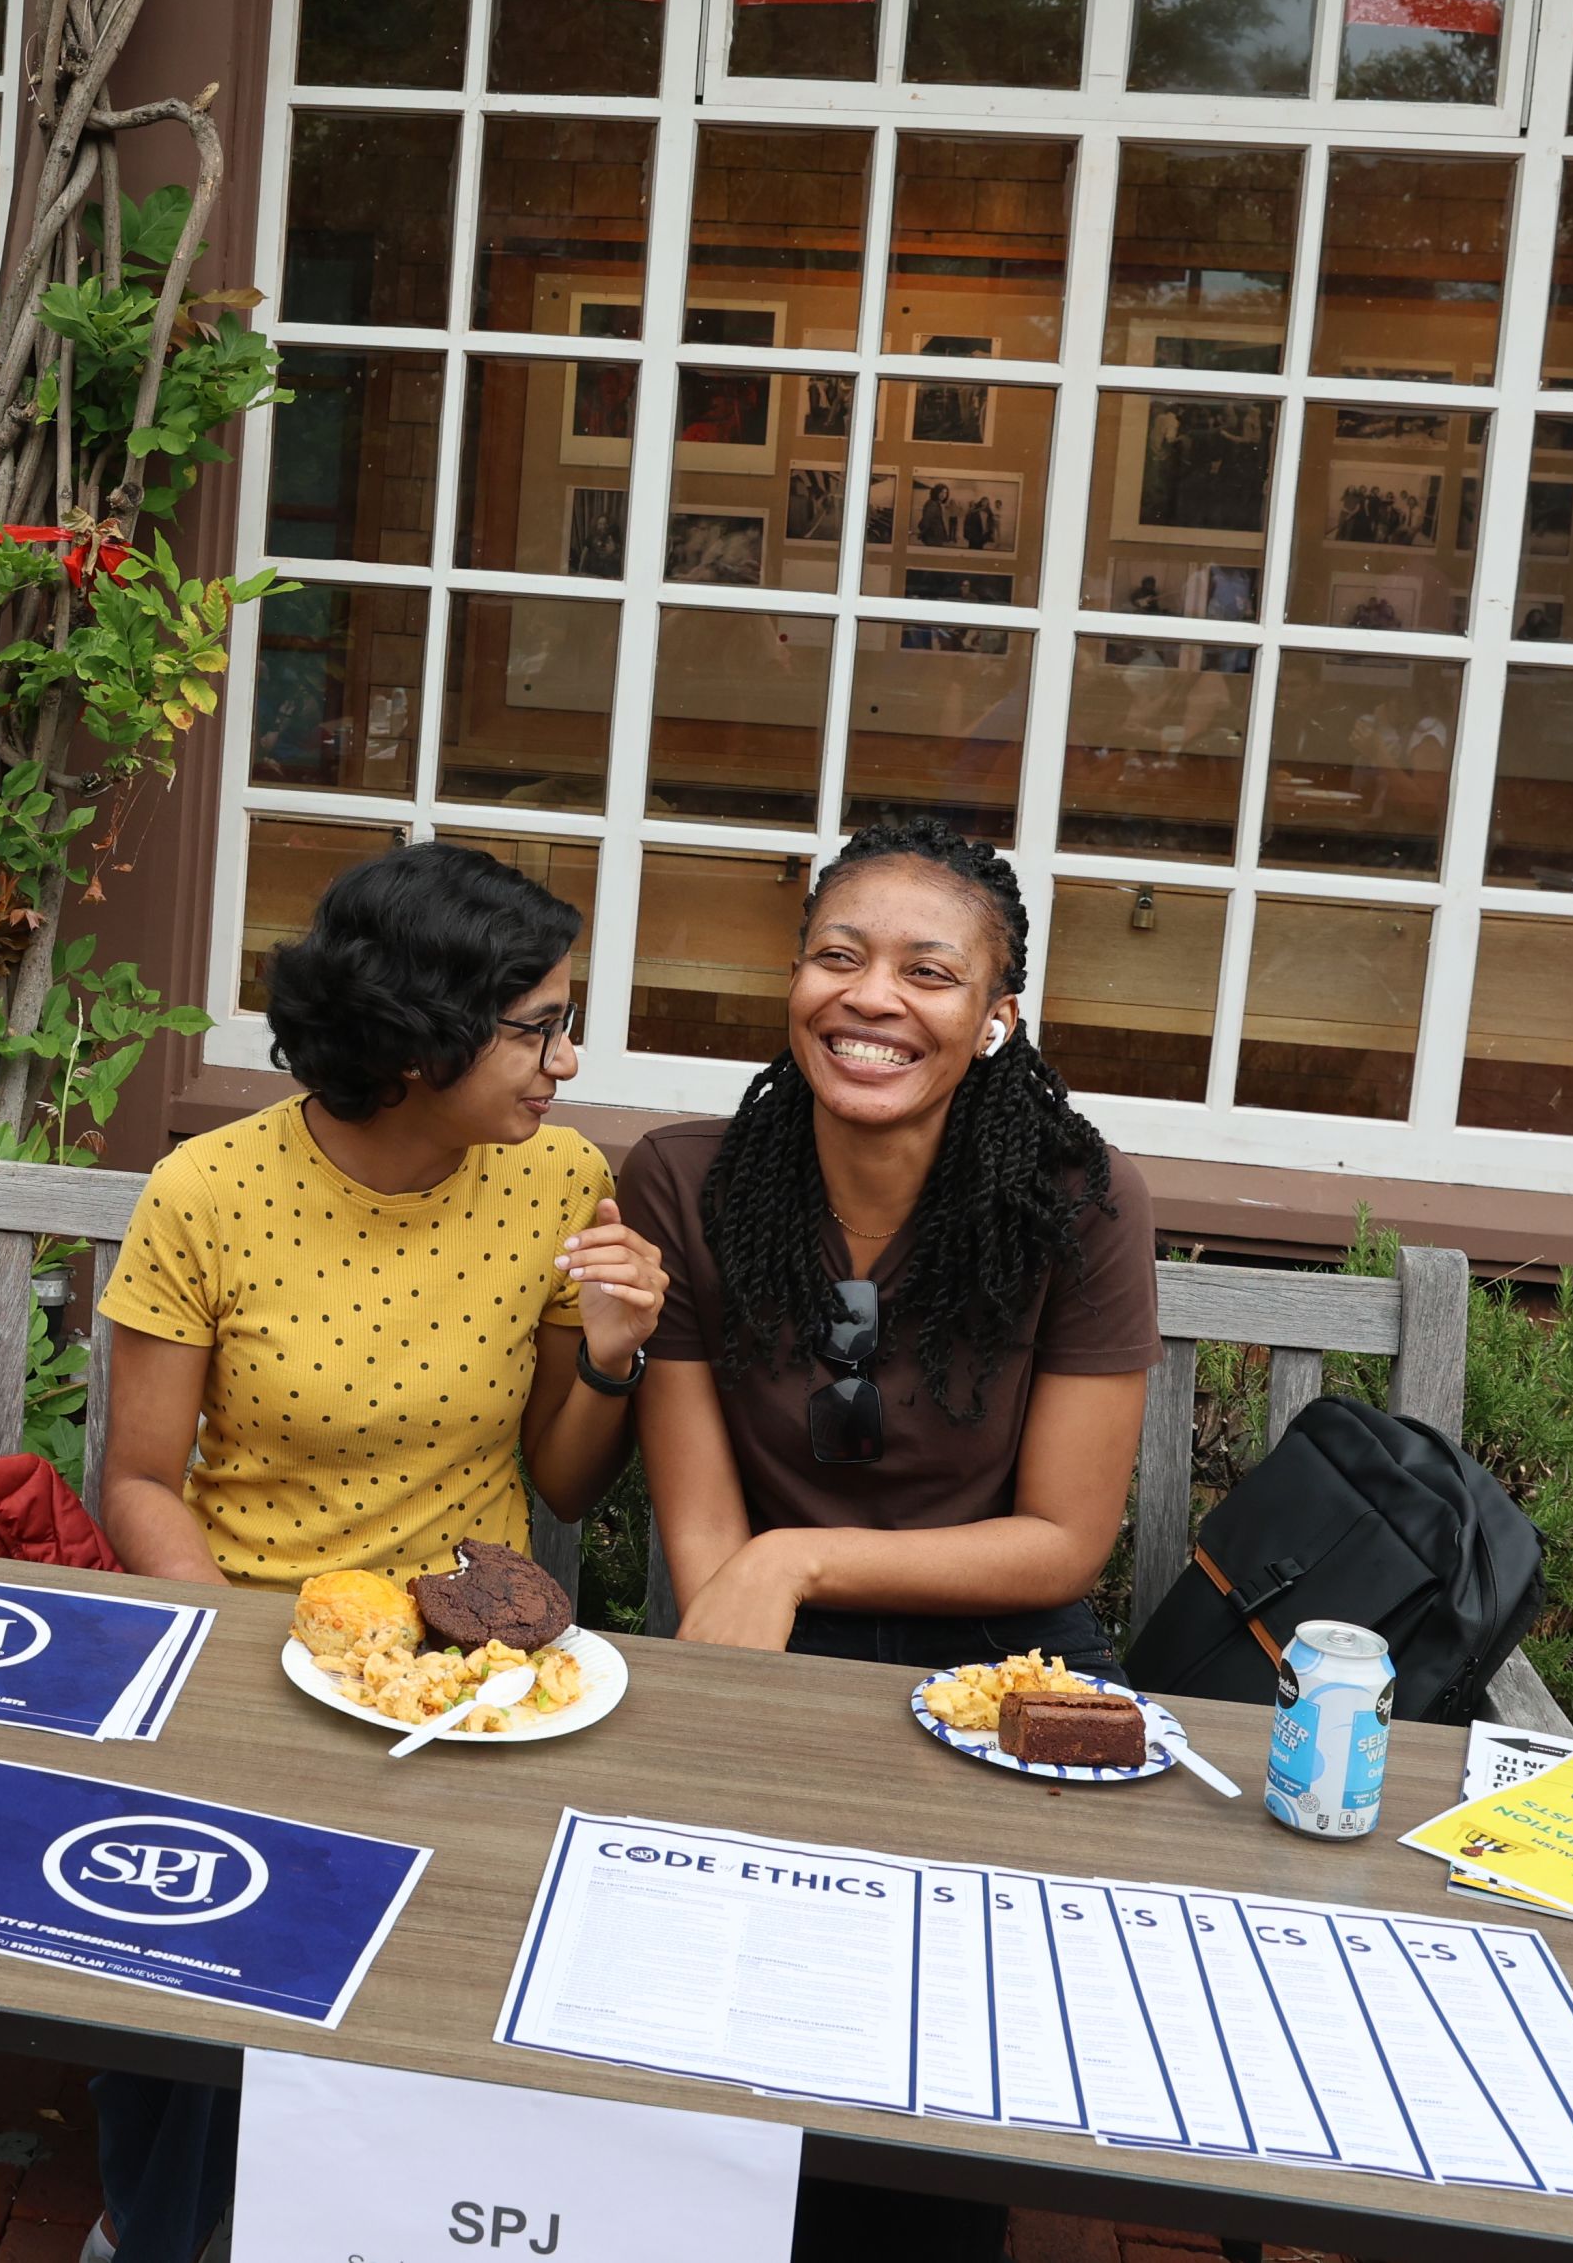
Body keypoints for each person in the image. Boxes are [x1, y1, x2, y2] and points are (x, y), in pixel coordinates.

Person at [85, 840, 668, 2263]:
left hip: (468, 1673)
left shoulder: (558, 1182)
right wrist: (247, 1661)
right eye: (536, 1027)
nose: (566, 1062)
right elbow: (140, 1482)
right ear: (422, 1034)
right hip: (238, 1631)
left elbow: (559, 1483)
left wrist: (609, 1363)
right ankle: (159, 2228)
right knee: (194, 1930)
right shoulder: (210, 1193)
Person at [616, 817, 1155, 2263]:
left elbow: (1058, 1545)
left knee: (956, 2053)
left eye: (929, 973)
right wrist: (752, 1610)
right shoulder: (687, 1181)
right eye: (838, 957)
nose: (872, 1000)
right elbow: (705, 1534)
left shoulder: (1072, 1200)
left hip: (1004, 1652)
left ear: (994, 1020)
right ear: (793, 980)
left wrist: (799, 1561)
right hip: (768, 1654)